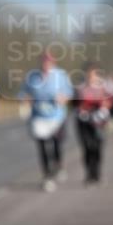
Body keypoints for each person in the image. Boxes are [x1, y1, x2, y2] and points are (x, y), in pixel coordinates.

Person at [20, 52, 73, 192]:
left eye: (49, 61)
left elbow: (69, 93)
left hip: (57, 117)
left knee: (56, 146)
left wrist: (63, 98)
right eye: (44, 61)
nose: (46, 64)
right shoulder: (32, 77)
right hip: (39, 117)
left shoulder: (60, 75)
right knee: (42, 147)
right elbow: (24, 93)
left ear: (53, 62)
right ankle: (47, 177)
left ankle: (58, 165)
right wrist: (26, 101)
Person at [75, 64, 113, 184]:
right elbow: (75, 105)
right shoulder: (80, 89)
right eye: (89, 74)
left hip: (99, 122)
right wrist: (83, 109)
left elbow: (110, 102)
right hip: (84, 122)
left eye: (94, 74)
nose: (91, 77)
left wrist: (103, 107)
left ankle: (97, 174)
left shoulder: (103, 88)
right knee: (87, 148)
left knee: (97, 148)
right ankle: (88, 174)